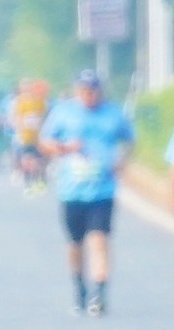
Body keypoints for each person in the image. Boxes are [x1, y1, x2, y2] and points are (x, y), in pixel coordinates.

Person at [41, 64, 134, 315]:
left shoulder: (113, 114)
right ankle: (79, 285)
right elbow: (45, 142)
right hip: (71, 191)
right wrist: (63, 148)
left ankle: (99, 293)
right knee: (75, 243)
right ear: (76, 90)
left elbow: (128, 140)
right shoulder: (63, 113)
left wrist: (121, 160)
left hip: (102, 190)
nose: (89, 95)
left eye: (93, 90)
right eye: (84, 90)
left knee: (99, 239)